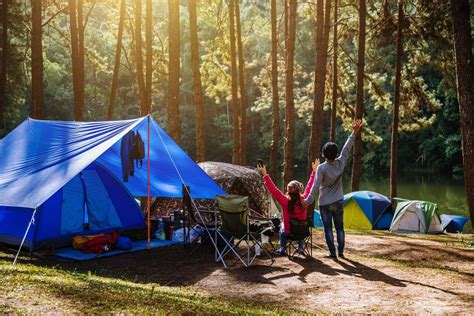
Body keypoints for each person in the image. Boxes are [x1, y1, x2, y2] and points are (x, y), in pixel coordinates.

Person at [303, 119, 363, 258]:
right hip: (338, 201)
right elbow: (347, 148)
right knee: (340, 228)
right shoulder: (340, 163)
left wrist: (307, 201)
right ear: (336, 154)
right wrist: (354, 131)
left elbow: (315, 186)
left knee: (328, 229)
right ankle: (341, 251)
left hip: (324, 203)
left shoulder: (321, 168)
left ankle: (332, 253)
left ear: (324, 154)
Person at [258, 159, 319, 255]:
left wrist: (265, 175)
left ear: (288, 190)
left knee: (282, 226)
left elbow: (274, 190)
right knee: (300, 226)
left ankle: (282, 248)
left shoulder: (285, 201)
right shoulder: (305, 200)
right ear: (299, 190)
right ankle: (300, 248)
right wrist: (314, 172)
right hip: (303, 232)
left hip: (288, 232)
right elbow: (309, 187)